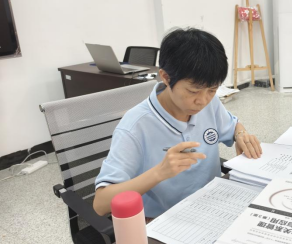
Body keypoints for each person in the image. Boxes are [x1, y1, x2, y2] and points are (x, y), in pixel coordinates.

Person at [93, 28, 262, 218]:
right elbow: (101, 204)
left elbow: (233, 126)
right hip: (163, 220)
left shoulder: (210, 103)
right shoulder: (135, 127)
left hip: (214, 209)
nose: (203, 101)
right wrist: (160, 172)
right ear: (166, 77)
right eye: (193, 91)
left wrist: (240, 135)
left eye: (212, 90)